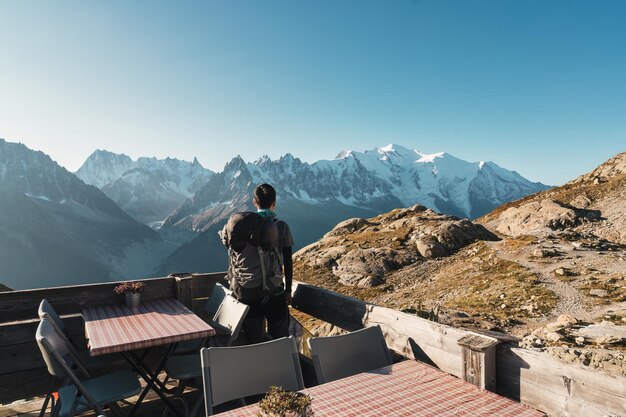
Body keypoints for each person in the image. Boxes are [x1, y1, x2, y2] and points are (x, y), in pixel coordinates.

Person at [225, 183, 293, 344]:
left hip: (246, 293)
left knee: (254, 341)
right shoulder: (281, 227)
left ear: (254, 202)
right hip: (274, 293)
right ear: (274, 202)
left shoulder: (238, 226)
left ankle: (258, 368)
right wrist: (288, 290)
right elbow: (288, 262)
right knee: (281, 339)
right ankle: (282, 367)